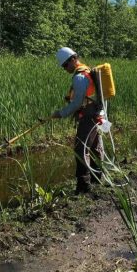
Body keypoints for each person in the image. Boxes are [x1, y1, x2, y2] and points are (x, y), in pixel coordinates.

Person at [51, 47, 103, 194]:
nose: (64, 68)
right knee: (94, 147)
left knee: (81, 149)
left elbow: (77, 103)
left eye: (65, 65)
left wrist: (61, 113)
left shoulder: (80, 77)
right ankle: (97, 178)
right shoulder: (87, 72)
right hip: (95, 114)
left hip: (88, 116)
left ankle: (83, 186)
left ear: (73, 59)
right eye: (63, 66)